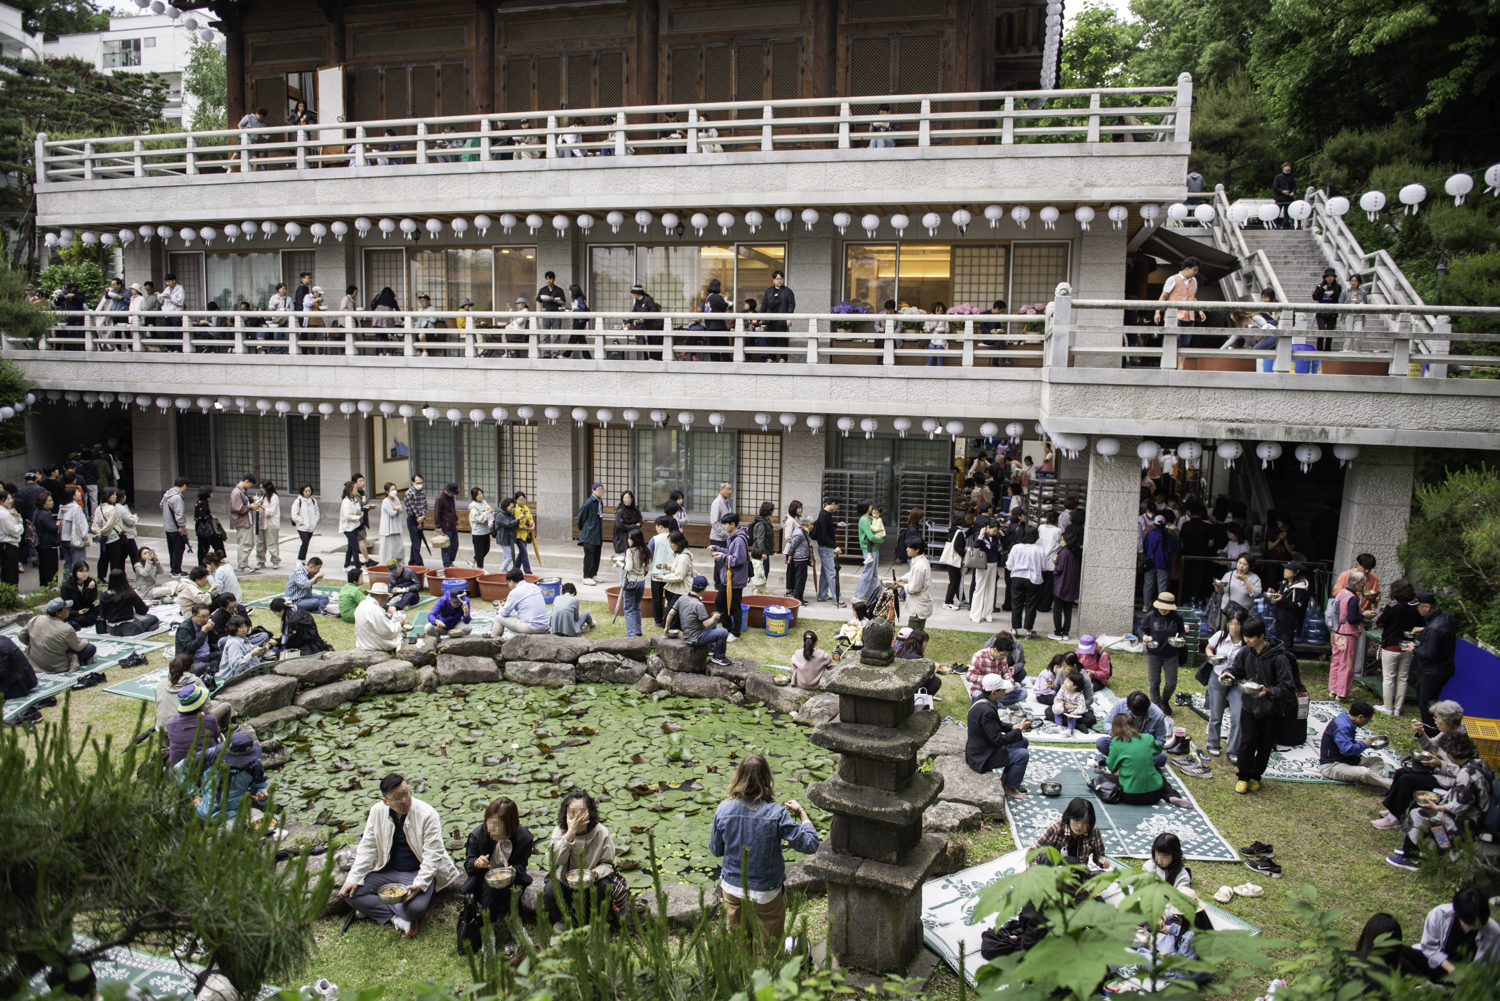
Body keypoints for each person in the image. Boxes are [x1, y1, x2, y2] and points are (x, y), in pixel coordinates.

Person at [710, 754, 820, 951]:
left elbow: (716, 850)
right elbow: (811, 844)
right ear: (767, 779)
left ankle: (741, 979)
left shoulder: (723, 809)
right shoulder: (776, 813)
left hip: (732, 889)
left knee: (738, 947)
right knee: (767, 949)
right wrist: (801, 812)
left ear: (738, 777)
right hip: (766, 893)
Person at [341, 773, 462, 938]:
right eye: (398, 798)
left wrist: (419, 884)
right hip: (387, 871)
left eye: (406, 793)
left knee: (414, 909)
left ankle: (374, 910)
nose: (405, 800)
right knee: (350, 893)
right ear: (385, 801)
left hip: (416, 873)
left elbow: (433, 855)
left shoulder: (427, 814)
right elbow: (368, 846)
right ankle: (396, 919)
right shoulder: (377, 811)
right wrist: (353, 877)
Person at [1386, 732, 1493, 872]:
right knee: (1425, 808)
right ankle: (1431, 849)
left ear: (1453, 753)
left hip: (1466, 822)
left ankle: (1411, 857)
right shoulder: (1479, 763)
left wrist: (1438, 807)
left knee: (1419, 813)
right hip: (1476, 814)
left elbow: (1459, 807)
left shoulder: (1466, 774)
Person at [1226, 618, 1297, 794]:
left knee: (1265, 745)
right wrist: (1229, 674)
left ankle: (1256, 776)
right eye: (1245, 637)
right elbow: (1238, 669)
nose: (1247, 640)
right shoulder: (1245, 652)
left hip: (1272, 710)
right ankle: (1243, 777)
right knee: (1247, 741)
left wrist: (1269, 692)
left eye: (1250, 637)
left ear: (1262, 636)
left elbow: (1288, 686)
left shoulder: (1279, 657)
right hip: (1249, 706)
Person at [1374, 700, 1468, 828]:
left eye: (1438, 718)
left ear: (1449, 721)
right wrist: (1420, 733)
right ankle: (1394, 809)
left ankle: (1393, 818)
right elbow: (1430, 746)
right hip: (1437, 771)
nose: (1435, 721)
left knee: (1408, 780)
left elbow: (1463, 771)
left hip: (1447, 780)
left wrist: (1440, 763)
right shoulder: (1447, 732)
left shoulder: (1462, 742)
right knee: (1401, 772)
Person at [463, 796, 536, 938]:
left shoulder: (524, 839)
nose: (491, 829)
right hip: (484, 881)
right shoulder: (478, 836)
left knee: (511, 888)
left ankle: (516, 926)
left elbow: (522, 863)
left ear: (509, 825)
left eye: (496, 826)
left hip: (510, 879)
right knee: (491, 888)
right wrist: (477, 863)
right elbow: (469, 866)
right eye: (489, 823)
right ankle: (489, 932)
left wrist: (514, 870)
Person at [544, 790, 620, 928]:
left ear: (590, 813)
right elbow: (554, 861)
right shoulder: (559, 831)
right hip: (565, 882)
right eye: (572, 813)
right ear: (565, 814)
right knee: (550, 890)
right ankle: (561, 924)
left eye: (582, 812)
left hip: (591, 883)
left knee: (604, 887)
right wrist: (570, 834)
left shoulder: (601, 833)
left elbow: (607, 864)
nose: (577, 818)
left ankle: (596, 926)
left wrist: (595, 873)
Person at [966, 673, 1031, 799]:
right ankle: (1009, 788)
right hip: (982, 756)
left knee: (1023, 741)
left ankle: (1006, 781)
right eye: (1003, 690)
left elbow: (996, 724)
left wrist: (1013, 727)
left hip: (983, 748)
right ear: (994, 693)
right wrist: (1018, 731)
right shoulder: (987, 711)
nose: (1005, 692)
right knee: (1022, 754)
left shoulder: (982, 701)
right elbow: (997, 740)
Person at [1106, 714, 1193, 807]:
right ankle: (1171, 795)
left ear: (1114, 727)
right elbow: (1158, 749)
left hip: (1130, 795)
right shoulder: (1147, 738)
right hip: (1155, 793)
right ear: (1132, 724)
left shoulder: (1116, 742)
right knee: (1161, 779)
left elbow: (1112, 768)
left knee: (1108, 778)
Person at [1415, 888, 1500, 973]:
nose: (1478, 926)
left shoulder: (1495, 932)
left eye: (1482, 922)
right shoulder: (1439, 914)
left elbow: (1492, 968)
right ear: (1459, 915)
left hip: (1465, 978)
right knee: (1404, 954)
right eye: (1472, 924)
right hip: (1439, 965)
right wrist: (1450, 968)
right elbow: (1429, 948)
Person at [1374, 579, 1422, 716]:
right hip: (1408, 646)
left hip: (1391, 646)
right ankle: (1398, 708)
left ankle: (1388, 706)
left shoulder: (1392, 607)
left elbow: (1380, 623)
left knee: (1389, 677)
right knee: (1402, 677)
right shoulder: (1416, 607)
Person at [1318, 700, 1392, 789]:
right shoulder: (1343, 727)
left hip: (1348, 760)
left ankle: (1369, 783)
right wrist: (1363, 745)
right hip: (1333, 765)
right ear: (1360, 717)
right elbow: (1347, 750)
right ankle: (1392, 785)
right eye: (1367, 720)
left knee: (1377, 761)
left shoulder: (1345, 718)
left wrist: (1359, 743)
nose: (1366, 723)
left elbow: (1345, 743)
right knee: (1365, 772)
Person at [1413, 590, 1457, 736]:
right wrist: (1425, 630)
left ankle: (1432, 735)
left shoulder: (1434, 628)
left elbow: (1428, 653)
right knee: (1420, 689)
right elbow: (1441, 633)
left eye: (1418, 607)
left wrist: (1413, 649)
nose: (1417, 609)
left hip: (1434, 671)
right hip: (1446, 667)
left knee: (1428, 704)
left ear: (1427, 607)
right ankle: (1435, 727)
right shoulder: (1446, 618)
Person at [1203, 615, 1245, 760]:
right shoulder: (1220, 636)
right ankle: (1213, 744)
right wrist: (1212, 657)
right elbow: (1209, 648)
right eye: (1231, 624)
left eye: (1237, 624)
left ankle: (1233, 750)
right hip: (1217, 677)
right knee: (1216, 713)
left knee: (1238, 716)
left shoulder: (1245, 642)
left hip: (1236, 681)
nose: (1233, 628)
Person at [20, 597, 97, 672]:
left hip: (35, 661)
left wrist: (36, 644)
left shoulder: (36, 619)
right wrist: (85, 641)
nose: (68, 610)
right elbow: (77, 647)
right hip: (56, 665)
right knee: (90, 648)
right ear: (58, 614)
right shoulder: (67, 628)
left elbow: (21, 636)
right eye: (66, 609)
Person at [153, 653, 228, 730]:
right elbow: (207, 709)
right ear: (191, 666)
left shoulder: (161, 683)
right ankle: (223, 732)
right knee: (225, 706)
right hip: (186, 731)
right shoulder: (196, 682)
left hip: (162, 729)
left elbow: (157, 707)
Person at [1028, 797, 1107, 868]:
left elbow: (1099, 854)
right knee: (1046, 853)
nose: (1079, 826)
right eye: (1076, 821)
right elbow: (1032, 851)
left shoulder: (1093, 831)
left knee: (1102, 877)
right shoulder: (1056, 828)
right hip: (1052, 874)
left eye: (1084, 823)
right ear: (1070, 818)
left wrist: (1102, 860)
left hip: (1077, 874)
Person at [670, 576, 731, 667]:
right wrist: (714, 617)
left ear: (691, 585)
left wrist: (667, 628)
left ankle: (712, 648)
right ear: (704, 589)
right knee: (724, 632)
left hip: (688, 634)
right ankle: (718, 657)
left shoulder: (682, 597)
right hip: (695, 639)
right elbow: (706, 624)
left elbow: (670, 613)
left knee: (713, 623)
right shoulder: (699, 605)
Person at [1098, 691, 1169, 768]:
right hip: (1123, 744)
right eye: (1134, 713)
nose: (1136, 717)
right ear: (1129, 707)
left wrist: (1146, 747)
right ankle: (1136, 764)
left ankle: (1121, 761)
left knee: (1161, 758)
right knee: (1101, 743)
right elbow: (1107, 722)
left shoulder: (1157, 714)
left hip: (1143, 750)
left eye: (1139, 715)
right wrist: (1117, 734)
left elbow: (1160, 740)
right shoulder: (1121, 704)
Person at [1329, 569, 1368, 699]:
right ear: (1355, 583)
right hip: (1347, 635)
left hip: (1336, 633)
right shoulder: (1352, 598)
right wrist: (1364, 615)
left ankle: (1333, 689)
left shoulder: (1341, 593)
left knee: (1336, 661)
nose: (1364, 586)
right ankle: (1342, 693)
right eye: (1362, 583)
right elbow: (1351, 619)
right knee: (1347, 664)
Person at [710, 513, 749, 641]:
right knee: (720, 601)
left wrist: (723, 557)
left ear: (733, 524)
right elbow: (730, 552)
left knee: (735, 606)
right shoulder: (731, 537)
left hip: (735, 579)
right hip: (728, 578)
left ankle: (736, 633)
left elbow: (739, 559)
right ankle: (727, 629)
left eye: (725, 524)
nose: (723, 527)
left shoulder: (738, 540)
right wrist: (717, 548)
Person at [164, 682, 221, 766]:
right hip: (206, 772)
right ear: (200, 705)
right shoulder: (209, 719)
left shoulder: (170, 723)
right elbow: (217, 735)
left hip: (177, 774)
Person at [1153, 257, 1206, 342]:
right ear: (1187, 268)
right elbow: (1163, 297)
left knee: (1186, 342)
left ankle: (1180, 356)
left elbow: (1193, 297)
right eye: (1195, 270)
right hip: (1174, 315)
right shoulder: (1173, 279)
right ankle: (1172, 355)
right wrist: (1157, 312)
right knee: (1175, 339)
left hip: (1189, 315)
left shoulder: (1194, 281)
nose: (1196, 273)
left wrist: (1200, 310)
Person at [1005, 526, 1045, 637]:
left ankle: (1014, 629)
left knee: (1016, 604)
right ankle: (1028, 630)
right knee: (1031, 605)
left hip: (1017, 577)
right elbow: (1044, 566)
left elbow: (1009, 565)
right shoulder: (1039, 549)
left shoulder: (1016, 547)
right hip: (1033, 579)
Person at [98, 569, 159, 637]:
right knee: (154, 619)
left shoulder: (104, 595)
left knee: (135, 615)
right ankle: (147, 629)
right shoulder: (129, 593)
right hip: (129, 629)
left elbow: (102, 615)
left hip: (112, 630)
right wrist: (147, 606)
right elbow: (142, 611)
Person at [654, 531, 695, 623]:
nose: (670, 545)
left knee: (671, 619)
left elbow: (679, 576)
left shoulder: (683, 557)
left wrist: (663, 577)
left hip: (681, 591)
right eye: (669, 543)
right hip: (677, 590)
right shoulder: (678, 554)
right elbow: (677, 568)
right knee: (674, 619)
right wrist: (666, 566)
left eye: (672, 543)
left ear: (678, 543)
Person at [492, 567, 547, 636]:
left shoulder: (515, 592)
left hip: (531, 627)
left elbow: (504, 613)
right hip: (544, 626)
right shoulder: (535, 587)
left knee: (498, 618)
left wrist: (500, 608)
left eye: (508, 582)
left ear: (511, 582)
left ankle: (494, 642)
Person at [617, 527, 650, 638]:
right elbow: (647, 568)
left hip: (631, 582)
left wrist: (620, 564)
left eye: (630, 539)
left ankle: (631, 634)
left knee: (628, 608)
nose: (628, 540)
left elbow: (629, 567)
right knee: (636, 606)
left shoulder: (630, 551)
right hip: (641, 581)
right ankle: (638, 630)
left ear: (635, 539)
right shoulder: (645, 550)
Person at [1267, 561, 1310, 645]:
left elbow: (1298, 606)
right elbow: (1282, 598)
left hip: (1289, 623)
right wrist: (1274, 593)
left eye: (1288, 569)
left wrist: (1282, 599)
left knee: (1286, 648)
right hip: (1279, 620)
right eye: (1285, 568)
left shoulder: (1300, 589)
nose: (1285, 571)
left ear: (1296, 573)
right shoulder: (1284, 584)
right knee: (1278, 645)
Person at [217, 615, 272, 681]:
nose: (244, 629)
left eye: (245, 627)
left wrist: (262, 650)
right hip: (235, 678)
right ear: (233, 628)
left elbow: (254, 653)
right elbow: (236, 665)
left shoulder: (243, 640)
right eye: (240, 628)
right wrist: (252, 654)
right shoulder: (234, 643)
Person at [355, 583, 406, 653]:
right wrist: (399, 624)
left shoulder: (362, 604)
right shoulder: (375, 609)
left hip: (363, 640)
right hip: (372, 643)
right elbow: (387, 632)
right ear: (381, 597)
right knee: (400, 636)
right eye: (386, 597)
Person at [893, 538, 932, 629]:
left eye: (909, 547)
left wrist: (900, 585)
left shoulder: (919, 566)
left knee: (913, 636)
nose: (907, 549)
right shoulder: (919, 560)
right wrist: (899, 579)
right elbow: (911, 574)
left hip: (919, 608)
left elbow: (914, 588)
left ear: (917, 550)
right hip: (918, 606)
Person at [854, 500, 885, 606]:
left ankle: (868, 595)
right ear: (866, 508)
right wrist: (881, 541)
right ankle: (858, 596)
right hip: (869, 550)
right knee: (867, 573)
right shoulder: (864, 520)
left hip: (874, 549)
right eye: (870, 505)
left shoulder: (870, 518)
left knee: (874, 574)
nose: (872, 507)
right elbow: (871, 536)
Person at [227, 474, 259, 574]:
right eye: (250, 484)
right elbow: (238, 508)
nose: (250, 486)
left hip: (246, 521)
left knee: (247, 544)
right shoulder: (237, 492)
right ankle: (242, 565)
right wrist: (251, 506)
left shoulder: (241, 492)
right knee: (245, 544)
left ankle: (243, 564)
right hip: (242, 522)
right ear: (246, 481)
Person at [760, 270, 794, 361]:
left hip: (782, 320)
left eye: (781, 279)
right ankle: (772, 358)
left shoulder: (788, 291)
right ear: (773, 280)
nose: (779, 281)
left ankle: (783, 358)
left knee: (782, 340)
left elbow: (791, 305)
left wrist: (789, 317)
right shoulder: (769, 291)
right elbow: (764, 304)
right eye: (777, 279)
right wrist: (760, 316)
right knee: (770, 340)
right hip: (770, 320)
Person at [576, 482, 604, 585]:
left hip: (597, 534)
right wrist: (583, 529)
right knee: (589, 555)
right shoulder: (588, 502)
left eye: (602, 489)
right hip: (589, 534)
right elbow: (581, 517)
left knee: (597, 554)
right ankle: (586, 576)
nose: (601, 491)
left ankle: (593, 574)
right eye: (598, 489)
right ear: (593, 490)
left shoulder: (600, 502)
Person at [60, 561, 100, 630]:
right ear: (75, 572)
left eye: (86, 571)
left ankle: (94, 619)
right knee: (82, 619)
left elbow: (89, 602)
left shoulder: (91, 582)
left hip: (87, 610)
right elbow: (66, 606)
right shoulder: (67, 586)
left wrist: (90, 590)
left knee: (102, 608)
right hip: (74, 613)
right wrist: (77, 612)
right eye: (81, 571)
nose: (84, 574)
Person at [433, 482, 462, 570]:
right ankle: (447, 565)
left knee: (455, 545)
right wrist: (438, 526)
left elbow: (452, 509)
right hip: (445, 526)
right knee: (446, 547)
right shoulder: (440, 498)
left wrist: (455, 519)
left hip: (452, 525)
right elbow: (437, 512)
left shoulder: (451, 497)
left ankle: (450, 561)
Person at [1312, 268, 1342, 352]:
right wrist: (1322, 290)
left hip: (1332, 313)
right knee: (1321, 330)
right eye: (1328, 276)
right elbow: (1315, 297)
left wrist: (1333, 295)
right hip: (1321, 312)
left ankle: (1327, 349)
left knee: (1329, 331)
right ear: (1325, 277)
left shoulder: (1337, 287)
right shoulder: (1320, 286)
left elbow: (1338, 300)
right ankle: (1319, 349)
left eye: (1331, 276)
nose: (1329, 278)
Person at [464, 487, 494, 571]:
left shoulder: (484, 503)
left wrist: (491, 511)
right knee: (479, 550)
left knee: (486, 549)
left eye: (481, 493)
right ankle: (480, 568)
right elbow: (478, 519)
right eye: (478, 494)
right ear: (474, 496)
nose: (480, 496)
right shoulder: (473, 507)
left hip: (485, 531)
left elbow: (489, 510)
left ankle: (473, 560)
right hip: (477, 532)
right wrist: (486, 513)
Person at [194, 486, 225, 562]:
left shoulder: (198, 502)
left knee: (202, 546)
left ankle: (203, 562)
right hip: (205, 527)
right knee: (210, 544)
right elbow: (201, 516)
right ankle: (215, 559)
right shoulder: (204, 503)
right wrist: (210, 516)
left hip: (199, 527)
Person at [291, 484, 320, 564]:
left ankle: (303, 558)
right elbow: (294, 515)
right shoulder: (298, 501)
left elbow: (317, 512)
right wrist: (302, 521)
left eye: (309, 491)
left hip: (311, 527)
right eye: (306, 491)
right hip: (302, 527)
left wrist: (315, 520)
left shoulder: (313, 501)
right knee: (305, 542)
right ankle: (300, 559)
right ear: (302, 491)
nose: (308, 493)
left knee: (307, 543)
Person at [404, 476, 429, 568]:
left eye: (421, 483)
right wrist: (418, 520)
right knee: (415, 541)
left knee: (418, 541)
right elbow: (411, 508)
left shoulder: (422, 493)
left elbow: (425, 506)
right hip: (412, 519)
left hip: (421, 519)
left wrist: (422, 517)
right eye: (417, 483)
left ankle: (412, 561)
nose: (419, 485)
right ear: (412, 483)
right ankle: (419, 563)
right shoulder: (408, 494)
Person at [375, 483, 403, 566]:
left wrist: (397, 508)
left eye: (395, 489)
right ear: (387, 491)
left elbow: (400, 510)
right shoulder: (386, 501)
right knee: (388, 548)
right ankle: (385, 564)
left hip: (396, 526)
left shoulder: (396, 499)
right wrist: (398, 508)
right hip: (388, 527)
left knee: (398, 547)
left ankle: (398, 562)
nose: (394, 491)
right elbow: (392, 513)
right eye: (392, 490)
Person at [257, 480, 281, 569]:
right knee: (260, 543)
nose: (261, 490)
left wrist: (261, 506)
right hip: (261, 523)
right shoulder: (263, 497)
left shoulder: (274, 497)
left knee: (272, 543)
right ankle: (260, 561)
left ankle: (275, 560)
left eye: (262, 488)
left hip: (271, 524)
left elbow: (271, 512)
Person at [512, 491, 536, 575]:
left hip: (525, 535)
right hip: (519, 535)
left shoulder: (526, 508)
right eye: (520, 499)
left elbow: (530, 518)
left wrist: (532, 524)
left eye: (523, 499)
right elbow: (520, 525)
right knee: (524, 554)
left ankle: (514, 570)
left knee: (521, 553)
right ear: (516, 500)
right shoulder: (516, 510)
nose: (522, 501)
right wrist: (529, 528)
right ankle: (528, 572)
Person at [1271, 162, 1296, 229]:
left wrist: (1293, 192)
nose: (1288, 168)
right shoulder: (1278, 177)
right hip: (1280, 198)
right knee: (1277, 212)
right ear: (1283, 167)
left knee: (1287, 213)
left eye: (1289, 167)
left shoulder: (1291, 176)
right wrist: (1282, 191)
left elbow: (1294, 186)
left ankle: (1285, 225)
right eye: (1287, 166)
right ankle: (1274, 225)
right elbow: (1275, 187)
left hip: (1288, 198)